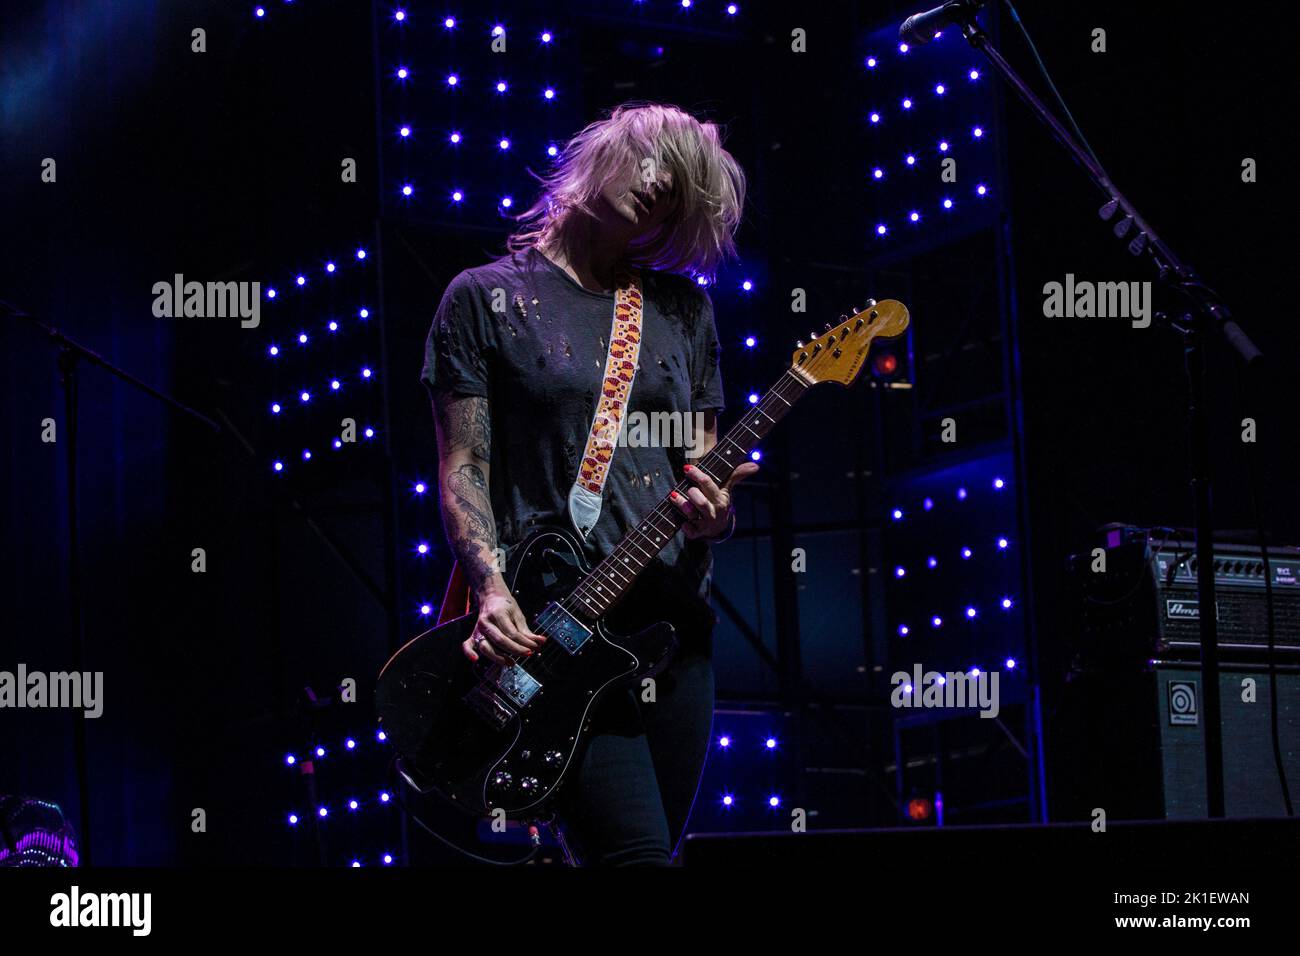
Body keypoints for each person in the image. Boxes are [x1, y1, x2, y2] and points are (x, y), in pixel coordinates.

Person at [421, 102, 756, 865]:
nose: (659, 190)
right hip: (560, 630)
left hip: (674, 635)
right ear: (607, 149)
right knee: (634, 858)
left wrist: (716, 514)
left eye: (678, 192)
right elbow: (463, 464)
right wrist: (492, 588)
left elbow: (704, 466)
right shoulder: (484, 299)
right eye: (652, 166)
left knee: (649, 854)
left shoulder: (682, 310)